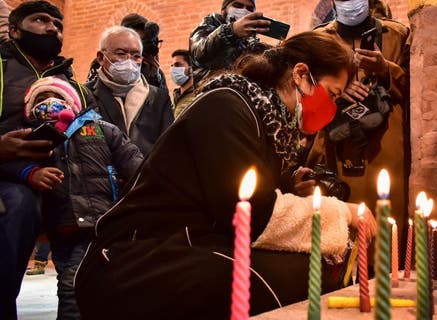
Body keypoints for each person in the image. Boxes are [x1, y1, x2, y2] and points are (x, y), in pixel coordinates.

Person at [75, 31, 377, 319]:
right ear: (300, 74)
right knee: (289, 276)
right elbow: (253, 214)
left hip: (192, 245)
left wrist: (291, 186)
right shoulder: (227, 105)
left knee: (310, 268)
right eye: (332, 94)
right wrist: (342, 213)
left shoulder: (270, 124)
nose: (331, 107)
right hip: (135, 258)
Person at [0, 76, 143, 319]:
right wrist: (32, 173)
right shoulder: (31, 138)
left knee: (72, 284)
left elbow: (134, 163)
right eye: (41, 100)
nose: (48, 103)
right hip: (60, 227)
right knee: (72, 281)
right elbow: (11, 166)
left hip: (95, 223)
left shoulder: (101, 129)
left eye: (56, 97)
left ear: (72, 104)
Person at [0, 2, 92, 318]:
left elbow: (99, 138)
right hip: (10, 181)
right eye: (40, 20)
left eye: (57, 22)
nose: (52, 27)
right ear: (14, 30)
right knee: (18, 205)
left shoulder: (76, 85)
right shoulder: (0, 70)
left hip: (67, 185)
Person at [308, 0, 412, 246]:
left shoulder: (396, 35)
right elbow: (300, 94)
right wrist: (334, 89)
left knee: (385, 235)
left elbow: (418, 89)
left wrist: (386, 70)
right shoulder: (318, 41)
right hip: (333, 147)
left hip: (385, 150)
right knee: (336, 238)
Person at [88, 26, 174, 155]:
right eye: (121, 53)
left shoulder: (158, 97)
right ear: (101, 58)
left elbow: (169, 147)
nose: (129, 61)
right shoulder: (85, 94)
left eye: (136, 56)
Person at [189, 0, 271, 89]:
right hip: (212, 94)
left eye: (250, 9)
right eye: (238, 5)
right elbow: (199, 53)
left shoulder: (251, 42)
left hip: (243, 96)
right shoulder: (210, 24)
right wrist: (231, 31)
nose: (244, 11)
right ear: (223, 10)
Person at [87, 13, 168, 93]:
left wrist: (154, 78)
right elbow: (91, 95)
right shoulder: (105, 61)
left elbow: (163, 103)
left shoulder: (155, 72)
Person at [170, 49, 195, 117]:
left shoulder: (196, 98)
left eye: (177, 65)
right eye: (172, 66)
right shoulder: (175, 96)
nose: (173, 69)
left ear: (191, 69)